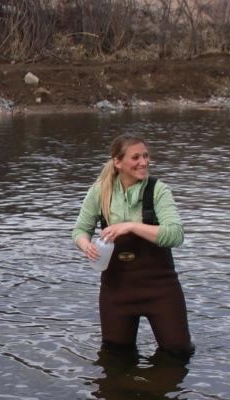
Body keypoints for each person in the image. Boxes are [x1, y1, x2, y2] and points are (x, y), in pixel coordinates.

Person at [72, 134, 194, 358]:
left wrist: (131, 226)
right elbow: (80, 230)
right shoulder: (99, 191)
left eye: (146, 156)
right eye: (136, 157)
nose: (144, 162)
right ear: (118, 162)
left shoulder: (158, 190)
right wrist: (86, 246)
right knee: (115, 356)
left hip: (161, 289)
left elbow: (176, 235)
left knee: (179, 354)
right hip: (116, 290)